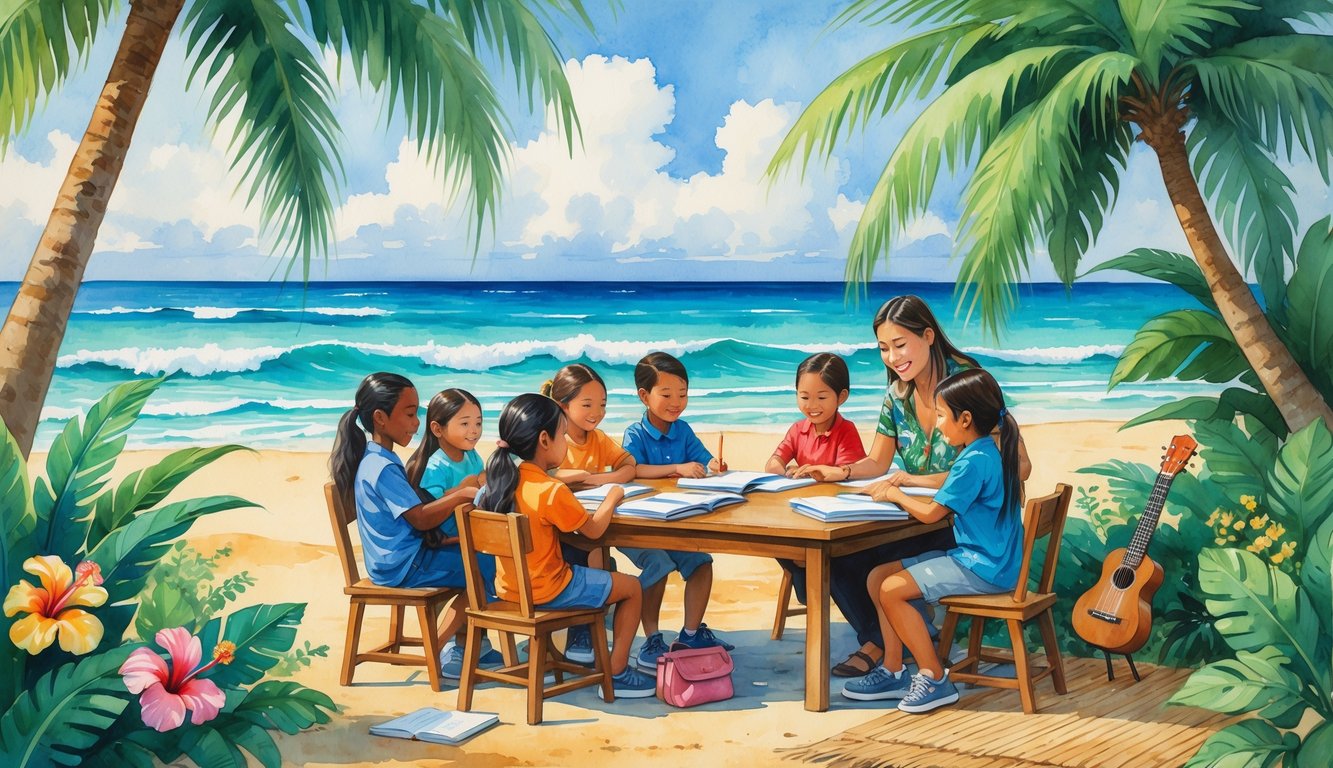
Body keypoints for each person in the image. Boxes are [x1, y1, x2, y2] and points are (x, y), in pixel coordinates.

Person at [799, 296, 1031, 678]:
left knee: (863, 562)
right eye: (884, 349)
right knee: (838, 555)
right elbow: (877, 461)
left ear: (928, 336)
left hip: (958, 528)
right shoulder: (897, 395)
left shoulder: (964, 384)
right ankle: (893, 647)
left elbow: (1017, 466)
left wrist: (918, 482)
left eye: (900, 344)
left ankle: (887, 648)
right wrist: (836, 472)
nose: (892, 357)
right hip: (916, 517)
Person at [842, 369, 1023, 713]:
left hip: (983, 567)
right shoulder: (987, 451)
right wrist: (910, 481)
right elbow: (952, 486)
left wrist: (895, 495)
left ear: (965, 419)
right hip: (990, 560)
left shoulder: (973, 461)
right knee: (878, 576)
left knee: (891, 589)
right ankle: (894, 670)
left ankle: (935, 677)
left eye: (942, 415)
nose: (938, 424)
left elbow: (930, 515)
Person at [474, 393, 656, 697]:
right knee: (632, 588)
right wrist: (612, 496)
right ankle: (618, 672)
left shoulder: (498, 483)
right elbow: (594, 532)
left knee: (587, 566)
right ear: (545, 440)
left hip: (509, 589)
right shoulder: (550, 490)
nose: (565, 443)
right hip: (549, 590)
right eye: (562, 436)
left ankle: (583, 649)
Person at [328, 373, 492, 679]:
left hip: (399, 557)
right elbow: (419, 518)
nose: (416, 423)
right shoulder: (383, 466)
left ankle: (469, 644)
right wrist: (464, 495)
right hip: (402, 564)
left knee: (476, 556)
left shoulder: (379, 457)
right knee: (483, 568)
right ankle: (440, 647)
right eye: (409, 413)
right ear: (380, 418)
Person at [620, 351, 733, 673]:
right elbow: (632, 470)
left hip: (678, 522)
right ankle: (652, 637)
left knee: (701, 563)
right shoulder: (635, 434)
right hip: (643, 524)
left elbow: (705, 461)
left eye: (682, 395)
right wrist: (676, 468)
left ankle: (691, 634)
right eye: (667, 395)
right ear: (644, 395)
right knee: (660, 564)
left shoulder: (682, 430)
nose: (676, 402)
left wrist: (714, 465)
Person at [404, 387, 501, 677]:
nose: (474, 431)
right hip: (441, 540)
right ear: (437, 428)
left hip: (469, 533)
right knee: (485, 569)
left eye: (479, 423)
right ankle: (447, 644)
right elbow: (433, 510)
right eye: (465, 423)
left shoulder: (471, 457)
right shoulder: (435, 466)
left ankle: (475, 641)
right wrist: (465, 490)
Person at [541, 364, 635, 663]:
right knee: (592, 551)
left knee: (598, 550)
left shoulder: (597, 438)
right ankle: (583, 630)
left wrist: (595, 480)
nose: (597, 412)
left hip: (584, 522)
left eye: (603, 404)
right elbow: (544, 475)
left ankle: (588, 628)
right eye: (587, 405)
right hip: (557, 534)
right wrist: (576, 475)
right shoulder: (552, 442)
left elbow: (629, 466)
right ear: (562, 406)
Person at [765, 352, 865, 605]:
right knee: (773, 539)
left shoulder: (846, 431)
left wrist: (819, 472)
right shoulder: (798, 429)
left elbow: (849, 475)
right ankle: (804, 575)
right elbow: (773, 462)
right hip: (803, 514)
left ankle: (807, 580)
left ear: (841, 397)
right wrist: (782, 469)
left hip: (834, 518)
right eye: (804, 397)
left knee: (804, 551)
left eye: (821, 397)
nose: (812, 405)